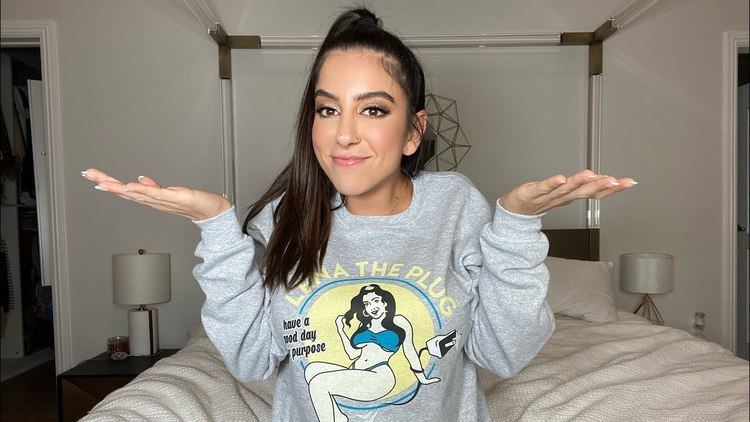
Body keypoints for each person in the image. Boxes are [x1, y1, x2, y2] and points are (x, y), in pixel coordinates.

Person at [81, 6, 637, 422]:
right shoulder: (286, 219)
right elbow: (252, 359)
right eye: (327, 109)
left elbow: (504, 352)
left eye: (373, 109)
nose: (344, 134)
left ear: (414, 131)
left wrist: (514, 225)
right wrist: (217, 226)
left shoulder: (454, 207)